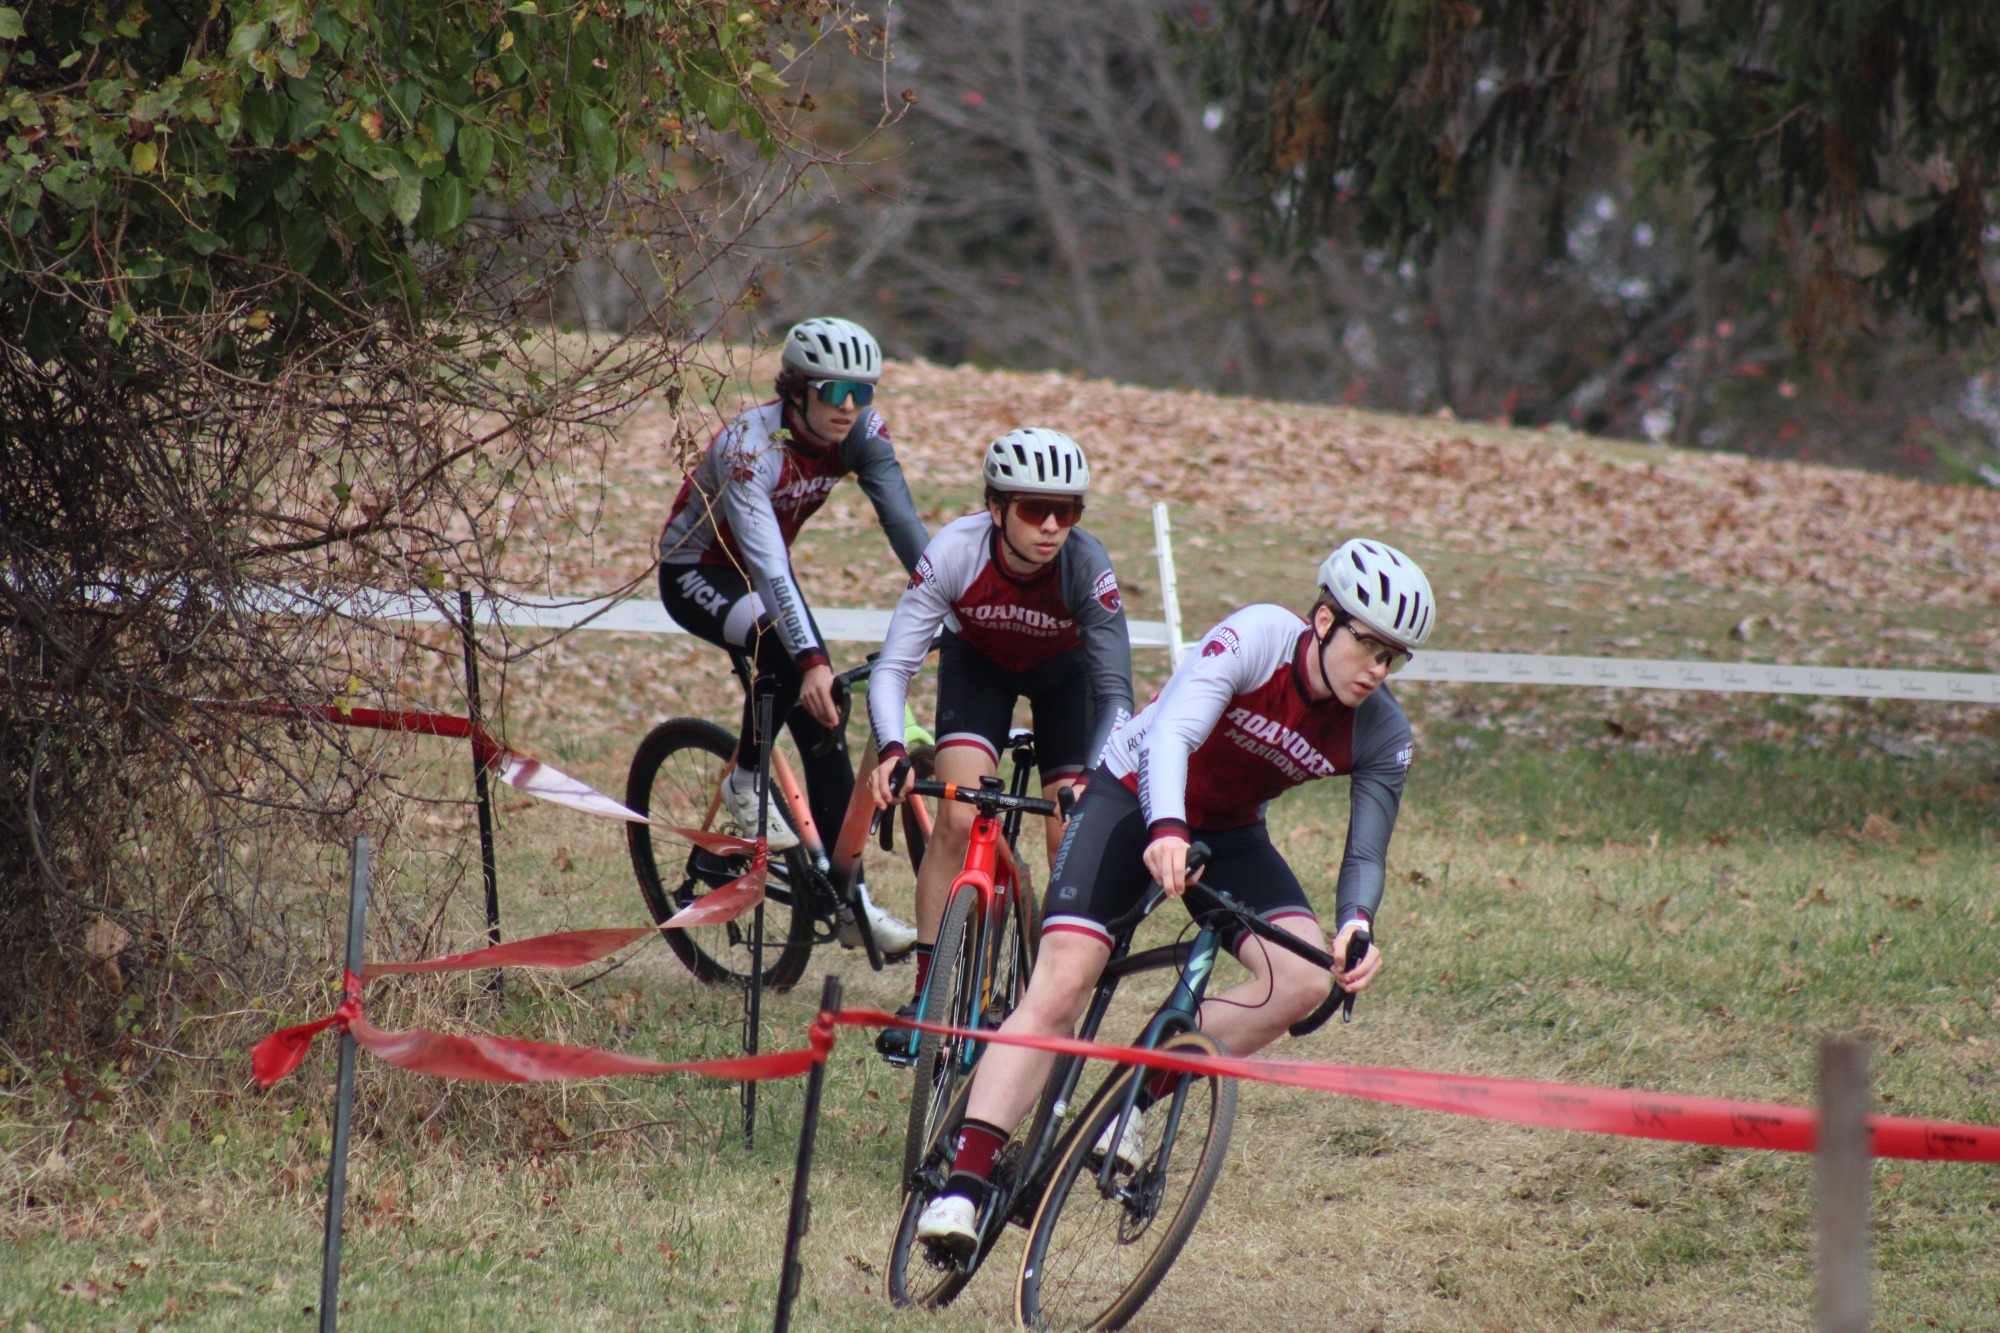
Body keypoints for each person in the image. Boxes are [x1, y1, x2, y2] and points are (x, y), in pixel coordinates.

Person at [915, 538, 1436, 1250]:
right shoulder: (1256, 637)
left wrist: (1356, 925)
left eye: (1393, 658)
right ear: (1323, 621)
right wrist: (1164, 826)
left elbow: (1366, 851)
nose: (1377, 670)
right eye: (1370, 646)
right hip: (1131, 795)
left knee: (1304, 974)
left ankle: (1135, 1096)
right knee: (1064, 978)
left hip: (1228, 830)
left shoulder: (1381, 731)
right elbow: (1172, 734)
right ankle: (961, 1187)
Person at [658, 316, 924, 953]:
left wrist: (955, 603)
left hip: (761, 575)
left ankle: (848, 898)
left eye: (865, 391)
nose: (852, 406)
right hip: (700, 571)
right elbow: (771, 567)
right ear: (799, 389)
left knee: (827, 714)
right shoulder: (753, 444)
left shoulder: (862, 434)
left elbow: (906, 528)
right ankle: (747, 780)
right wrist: (807, 659)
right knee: (788, 657)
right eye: (837, 392)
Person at [865, 429, 1135, 1055]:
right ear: (995, 508)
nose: (1050, 526)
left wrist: (1092, 781)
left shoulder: (1087, 568)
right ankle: (929, 998)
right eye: (1032, 509)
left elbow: (1115, 692)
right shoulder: (954, 552)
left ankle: (1044, 1003)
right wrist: (892, 750)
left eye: (1064, 511)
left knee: (1069, 832)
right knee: (958, 819)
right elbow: (894, 666)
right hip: (979, 667)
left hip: (1066, 681)